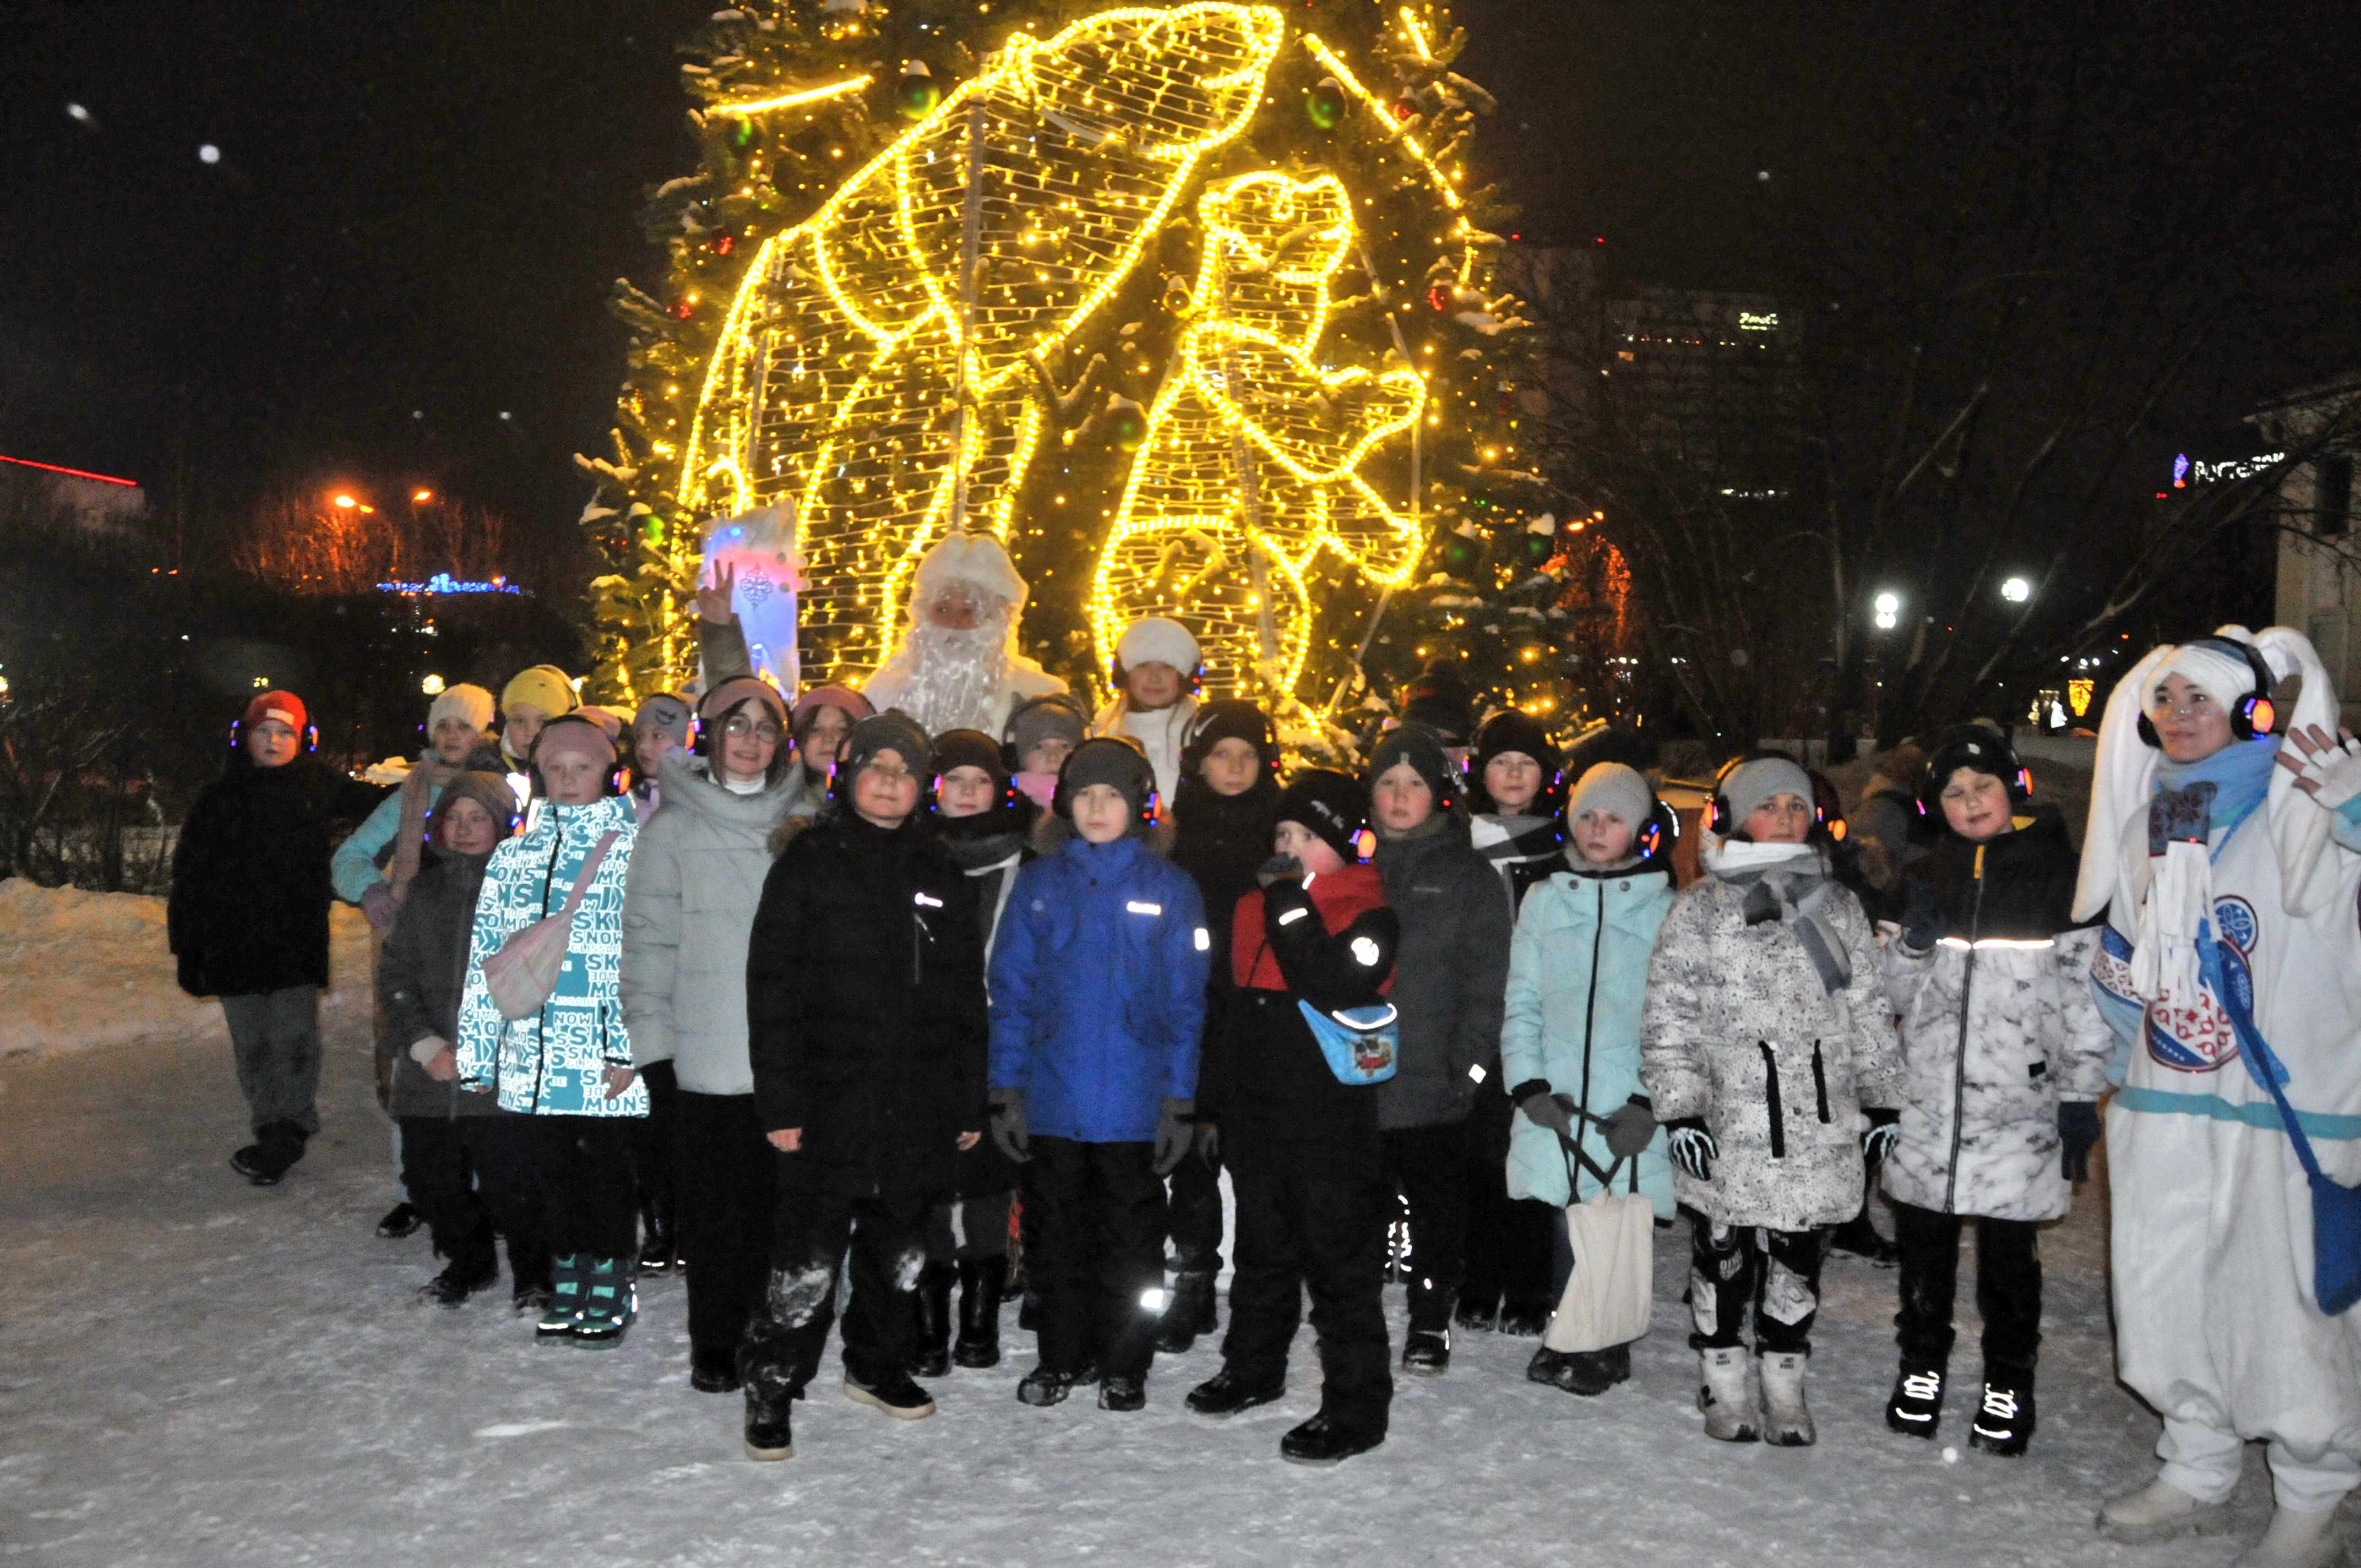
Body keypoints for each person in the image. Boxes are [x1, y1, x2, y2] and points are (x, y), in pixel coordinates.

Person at [2081, 628, 2361, 1566]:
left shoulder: (2306, 800)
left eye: (2197, 698)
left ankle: (2312, 1490)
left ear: (2250, 707)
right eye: (2164, 700)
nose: (2177, 717)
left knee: (2283, 1303)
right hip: (2171, 1100)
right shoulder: (2149, 819)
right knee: (2168, 1289)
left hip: (2285, 1108)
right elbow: (2130, 955)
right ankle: (2195, 1461)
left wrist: (2353, 810)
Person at [738, 713, 988, 1462]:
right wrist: (781, 1101)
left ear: (923, 788)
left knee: (900, 1252)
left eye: (905, 771)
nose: (889, 782)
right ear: (848, 775)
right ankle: (773, 1384)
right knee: (806, 1261)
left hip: (916, 1103)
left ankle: (878, 1365)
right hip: (827, 1098)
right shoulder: (809, 861)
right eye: (875, 767)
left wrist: (966, 1099)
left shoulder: (940, 872)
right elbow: (772, 988)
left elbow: (964, 996)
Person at [1641, 750, 1903, 1446]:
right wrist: (1680, 1106)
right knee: (1723, 1253)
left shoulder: (1838, 904)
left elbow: (1870, 1009)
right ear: (1731, 817)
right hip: (1730, 1117)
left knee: (1796, 1258)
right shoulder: (1700, 909)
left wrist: (1882, 1099)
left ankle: (1785, 1384)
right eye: (1768, 804)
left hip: (1816, 1119)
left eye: (1795, 805)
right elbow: (1670, 1014)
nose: (1785, 816)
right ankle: (1723, 1380)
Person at [1874, 723, 2110, 1457]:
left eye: (1983, 789)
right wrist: (1913, 942)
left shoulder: (2060, 876)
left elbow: (2083, 998)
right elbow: (1893, 995)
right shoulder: (1926, 875)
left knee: (2010, 1264)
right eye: (1953, 793)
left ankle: (2009, 1380)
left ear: (2013, 792)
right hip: (1932, 1105)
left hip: (2021, 1108)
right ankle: (1922, 1366)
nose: (1970, 803)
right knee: (1925, 1255)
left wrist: (2080, 1095)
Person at [988, 737, 1209, 1410]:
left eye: (1113, 794)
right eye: (1084, 794)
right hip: (1054, 1102)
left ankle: (1124, 1361)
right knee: (1055, 1240)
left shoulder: (1169, 888)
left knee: (1132, 1247)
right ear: (1065, 803)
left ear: (1138, 803)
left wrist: (1179, 1099)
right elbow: (1012, 991)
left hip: (1133, 1109)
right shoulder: (1039, 884)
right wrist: (1006, 1090)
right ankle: (1062, 1355)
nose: (1098, 807)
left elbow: (1186, 1002)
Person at [1189, 770, 1400, 1466]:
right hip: (1259, 1116)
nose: (1290, 847)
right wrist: (1216, 1104)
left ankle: (1356, 1404)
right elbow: (1232, 1011)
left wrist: (1286, 900)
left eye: (1308, 837)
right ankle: (1252, 1367)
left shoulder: (1370, 913)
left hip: (1329, 1123)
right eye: (1282, 834)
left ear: (1344, 845)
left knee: (1340, 1264)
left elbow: (1330, 980)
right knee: (1260, 1250)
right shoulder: (1254, 907)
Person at [618, 668, 801, 1391]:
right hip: (705, 1056)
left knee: (780, 1212)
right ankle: (715, 1340)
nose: (750, 741)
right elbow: (649, 942)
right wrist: (653, 1049)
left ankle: (770, 1328)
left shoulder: (807, 820)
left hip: (787, 1060)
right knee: (715, 1213)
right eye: (736, 726)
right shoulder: (674, 827)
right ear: (713, 736)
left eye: (764, 728)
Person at [453, 715, 648, 1349]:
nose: (568, 780)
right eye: (556, 769)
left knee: (605, 1176)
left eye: (582, 768)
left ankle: (612, 1279)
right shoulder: (514, 855)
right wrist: (479, 1053)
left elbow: (644, 954)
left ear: (607, 773)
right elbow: (489, 958)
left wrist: (630, 1044)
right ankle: (569, 1278)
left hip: (601, 1053)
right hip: (529, 1053)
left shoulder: (632, 850)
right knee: (551, 1175)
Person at [1502, 761, 1678, 1396]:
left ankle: (1608, 1341)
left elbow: (1673, 1015)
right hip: (1559, 1100)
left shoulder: (1665, 908)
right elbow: (1520, 998)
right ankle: (1568, 1330)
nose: (1598, 829)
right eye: (1587, 816)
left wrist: (1647, 1100)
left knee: (1618, 1223)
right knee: (1565, 1221)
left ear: (1638, 828)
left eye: (1613, 818)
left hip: (1623, 1099)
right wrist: (1528, 1085)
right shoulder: (1544, 899)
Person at [170, 689, 384, 1185]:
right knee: (253, 1043)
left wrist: (435, 781)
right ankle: (269, 1124)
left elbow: (381, 804)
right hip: (230, 945)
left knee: (294, 1039)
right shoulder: (218, 796)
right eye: (263, 732)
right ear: (244, 737)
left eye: (284, 733)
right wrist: (188, 947)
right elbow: (189, 878)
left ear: (302, 739)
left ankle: (290, 1125)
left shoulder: (317, 785)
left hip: (293, 942)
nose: (273, 741)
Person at [1364, 723, 1511, 1374]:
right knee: (1355, 1204)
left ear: (1439, 795)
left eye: (1414, 784)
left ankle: (1429, 1320)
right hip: (1356, 1078)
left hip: (1433, 1078)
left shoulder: (1468, 878)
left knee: (1436, 1210)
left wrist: (1469, 1069)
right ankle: (1356, 1313)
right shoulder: (1351, 869)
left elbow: (1487, 986)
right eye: (1387, 784)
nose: (1399, 797)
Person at [329, 679, 497, 1239]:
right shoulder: (410, 793)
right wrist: (370, 890)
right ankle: (415, 1189)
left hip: (481, 942)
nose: (453, 736)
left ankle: (478, 1187)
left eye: (464, 725)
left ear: (482, 732)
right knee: (413, 1065)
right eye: (444, 724)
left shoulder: (501, 788)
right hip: (417, 943)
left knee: (482, 1071)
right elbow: (349, 855)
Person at [376, 770, 549, 1310]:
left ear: (502, 826)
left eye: (478, 818)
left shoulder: (527, 891)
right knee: (430, 1182)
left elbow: (541, 978)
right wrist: (425, 1044)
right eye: (455, 817)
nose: (466, 828)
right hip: (432, 1069)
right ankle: (469, 1262)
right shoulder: (424, 893)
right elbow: (396, 975)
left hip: (500, 1067)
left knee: (511, 1183)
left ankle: (535, 1275)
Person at [1156, 699, 1282, 1353]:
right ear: (1199, 763)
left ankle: (1261, 1292)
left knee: (1256, 1162)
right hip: (1192, 1014)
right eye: (1221, 755)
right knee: (1192, 1161)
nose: (1234, 768)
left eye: (1248, 756)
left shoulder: (1280, 840)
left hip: (1259, 1020)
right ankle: (1193, 1282)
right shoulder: (1176, 838)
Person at [912, 727, 1036, 1375]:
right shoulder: (911, 853)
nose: (966, 793)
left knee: (988, 1176)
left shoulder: (1026, 861)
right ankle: (930, 1316)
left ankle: (980, 1317)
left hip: (1002, 1040)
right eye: (953, 780)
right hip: (924, 1046)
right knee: (928, 1178)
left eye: (979, 781)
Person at [1459, 708, 1566, 1337]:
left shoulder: (1561, 847)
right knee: (1476, 1156)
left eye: (1526, 763)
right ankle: (1477, 1280)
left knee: (1530, 1153)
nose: (1513, 774)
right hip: (1474, 1018)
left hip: (1536, 1024)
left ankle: (1529, 1287)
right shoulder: (1460, 841)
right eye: (1502, 762)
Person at [861, 532, 1068, 736]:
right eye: (942, 609)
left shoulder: (1035, 695)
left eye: (969, 612)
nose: (954, 623)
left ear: (996, 620)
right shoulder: (882, 691)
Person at [1091, 617, 1201, 806]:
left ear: (1184, 677)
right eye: (1143, 666)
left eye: (1167, 667)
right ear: (1124, 673)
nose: (1154, 678)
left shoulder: (1202, 734)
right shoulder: (1103, 733)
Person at [1006, 691, 1092, 814]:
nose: (1052, 757)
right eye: (1040, 747)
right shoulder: (1016, 788)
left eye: (1064, 746)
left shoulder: (1087, 785)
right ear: (1020, 757)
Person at [498, 664, 580, 772]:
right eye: (519, 721)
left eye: (544, 722)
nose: (530, 733)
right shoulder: (489, 779)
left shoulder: (590, 780)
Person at [627, 693, 693, 824]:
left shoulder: (701, 800)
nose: (643, 746)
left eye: (657, 736)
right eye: (640, 737)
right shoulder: (630, 804)